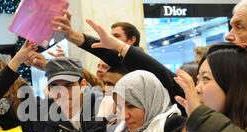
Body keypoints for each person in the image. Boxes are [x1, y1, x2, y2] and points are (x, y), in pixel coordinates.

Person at [51, 12, 186, 115]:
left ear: (132, 40)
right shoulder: (116, 66)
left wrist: (73, 35)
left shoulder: (141, 66)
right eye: (108, 84)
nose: (109, 40)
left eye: (116, 37)